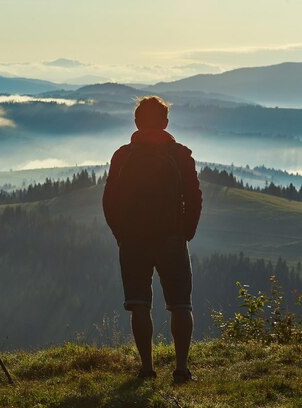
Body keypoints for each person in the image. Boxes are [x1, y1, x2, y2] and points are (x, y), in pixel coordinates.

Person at [102, 96, 202, 383]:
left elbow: (110, 199)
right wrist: (186, 232)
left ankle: (147, 368)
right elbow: (194, 197)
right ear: (166, 122)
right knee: (181, 305)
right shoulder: (180, 154)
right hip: (172, 238)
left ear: (136, 122)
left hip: (133, 240)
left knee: (139, 304)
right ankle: (181, 369)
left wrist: (121, 233)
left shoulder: (123, 156)